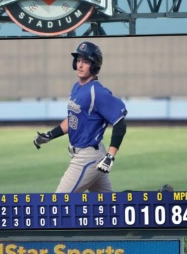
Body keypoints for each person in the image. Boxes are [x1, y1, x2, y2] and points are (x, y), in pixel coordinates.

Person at [33, 41, 127, 193]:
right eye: (78, 60)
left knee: (58, 203)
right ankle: (157, 197)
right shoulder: (77, 87)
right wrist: (50, 135)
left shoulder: (97, 91)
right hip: (87, 154)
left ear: (95, 66)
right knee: (110, 206)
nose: (80, 65)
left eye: (86, 61)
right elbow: (73, 120)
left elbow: (119, 123)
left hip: (87, 158)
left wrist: (110, 156)